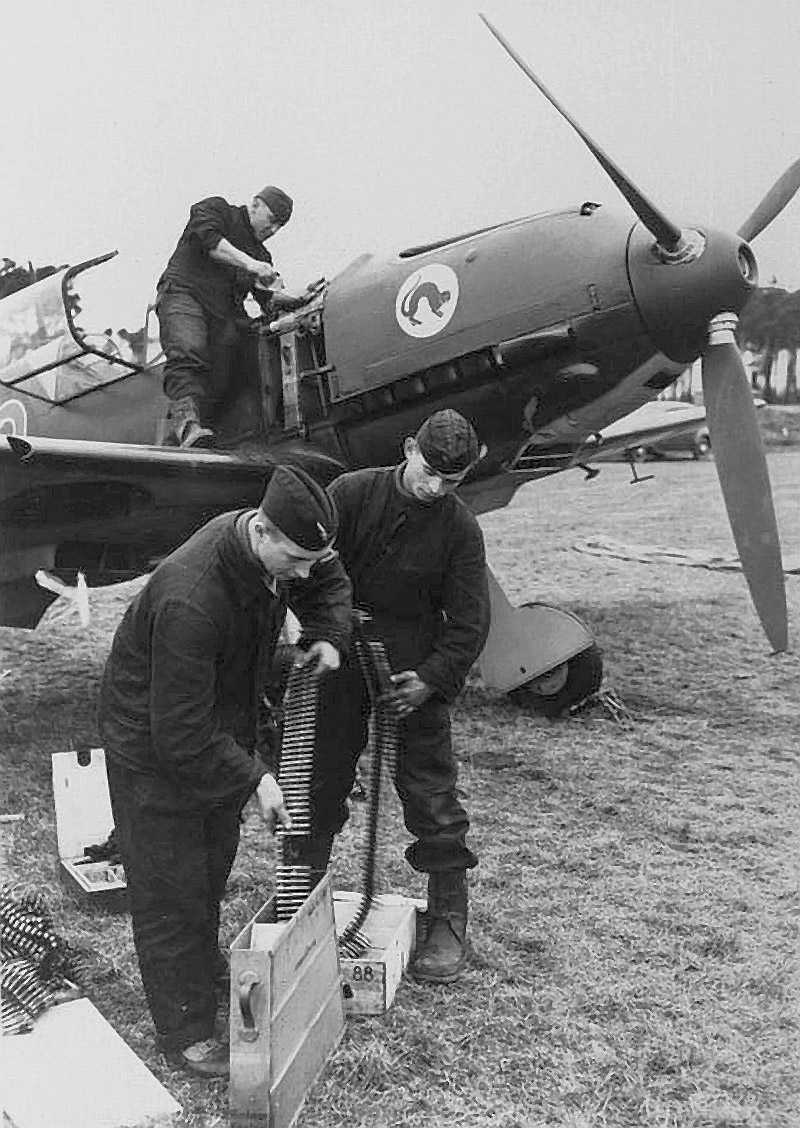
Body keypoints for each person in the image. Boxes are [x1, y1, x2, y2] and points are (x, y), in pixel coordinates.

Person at [98, 464, 352, 1077]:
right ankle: (184, 1031)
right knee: (170, 889)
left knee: (210, 864)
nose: (303, 575)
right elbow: (179, 733)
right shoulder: (191, 598)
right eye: (294, 561)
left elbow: (326, 574)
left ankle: (198, 967)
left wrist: (328, 633)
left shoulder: (279, 550)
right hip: (152, 745)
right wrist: (254, 778)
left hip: (217, 720)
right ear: (261, 531)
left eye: (310, 560)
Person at [307, 409, 491, 984]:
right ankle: (300, 902)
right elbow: (309, 570)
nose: (434, 488)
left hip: (413, 665)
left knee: (431, 792)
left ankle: (448, 917)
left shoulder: (460, 529)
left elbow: (470, 621)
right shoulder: (350, 494)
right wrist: (324, 636)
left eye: (450, 480)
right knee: (320, 779)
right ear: (409, 448)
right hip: (340, 651)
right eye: (428, 472)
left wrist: (430, 679)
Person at [156, 184, 308, 448]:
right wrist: (250, 264)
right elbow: (210, 241)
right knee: (189, 349)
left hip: (222, 316)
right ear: (255, 204)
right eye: (272, 221)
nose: (273, 230)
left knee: (231, 366)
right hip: (183, 294)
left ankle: (201, 437)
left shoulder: (261, 255)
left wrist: (298, 297)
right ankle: (186, 425)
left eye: (279, 227)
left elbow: (268, 300)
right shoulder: (216, 210)